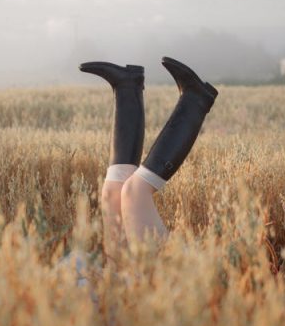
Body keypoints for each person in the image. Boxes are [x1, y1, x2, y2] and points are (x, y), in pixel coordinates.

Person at [80, 57, 218, 261]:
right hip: (155, 285)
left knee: (112, 194)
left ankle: (127, 86)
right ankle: (195, 99)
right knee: (134, 193)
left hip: (119, 281)